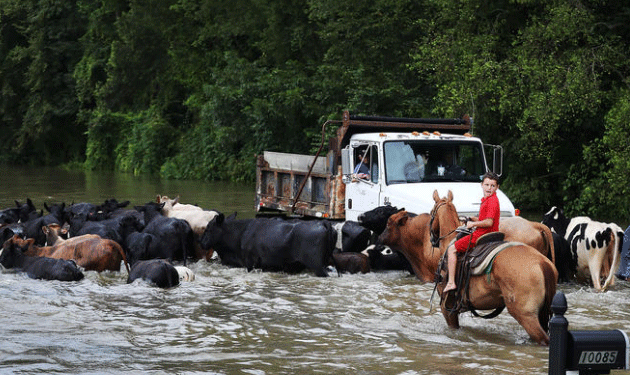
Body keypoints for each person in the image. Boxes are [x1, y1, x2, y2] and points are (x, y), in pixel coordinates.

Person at [442, 171, 501, 295]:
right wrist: (472, 219)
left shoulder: (491, 201)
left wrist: (473, 224)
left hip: (483, 235)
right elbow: (485, 219)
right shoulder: (488, 199)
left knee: (452, 249)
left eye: (492, 186)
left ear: (497, 187)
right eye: (487, 185)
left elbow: (489, 222)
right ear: (482, 185)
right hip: (487, 232)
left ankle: (451, 282)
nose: (489, 188)